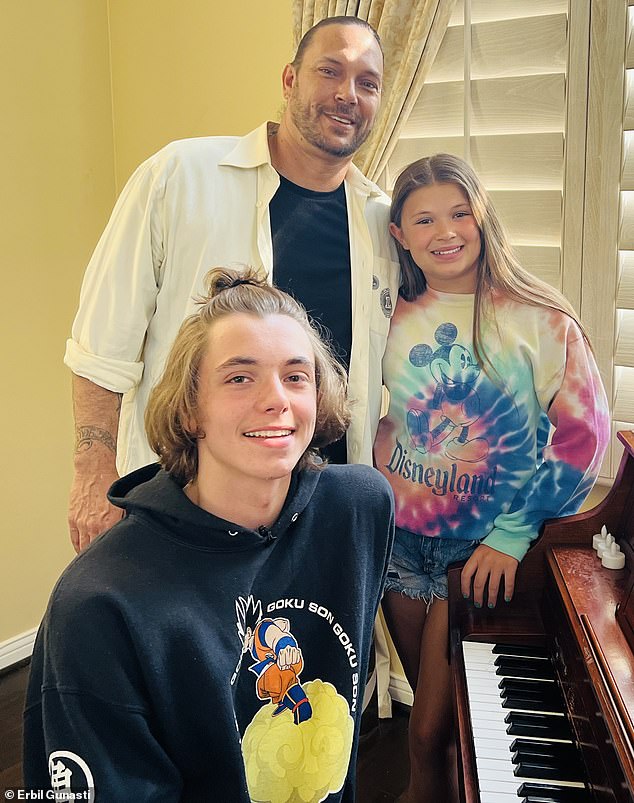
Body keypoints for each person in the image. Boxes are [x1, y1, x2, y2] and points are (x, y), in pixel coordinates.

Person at [24, 268, 395, 802]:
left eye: (296, 376)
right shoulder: (99, 604)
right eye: (240, 377)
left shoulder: (357, 509)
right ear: (190, 408)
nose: (277, 400)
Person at [66, 15, 400, 553]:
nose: (347, 95)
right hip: (182, 505)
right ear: (289, 81)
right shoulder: (180, 177)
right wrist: (91, 474)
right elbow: (101, 349)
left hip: (316, 524)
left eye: (367, 82)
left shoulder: (384, 224)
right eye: (329, 71)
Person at [373, 154, 610, 803]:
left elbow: (583, 440)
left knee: (427, 734)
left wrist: (511, 534)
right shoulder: (386, 313)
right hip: (399, 546)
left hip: (478, 553)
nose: (444, 231)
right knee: (438, 720)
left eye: (459, 212)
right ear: (399, 233)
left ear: (483, 217)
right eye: (424, 218)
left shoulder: (538, 316)